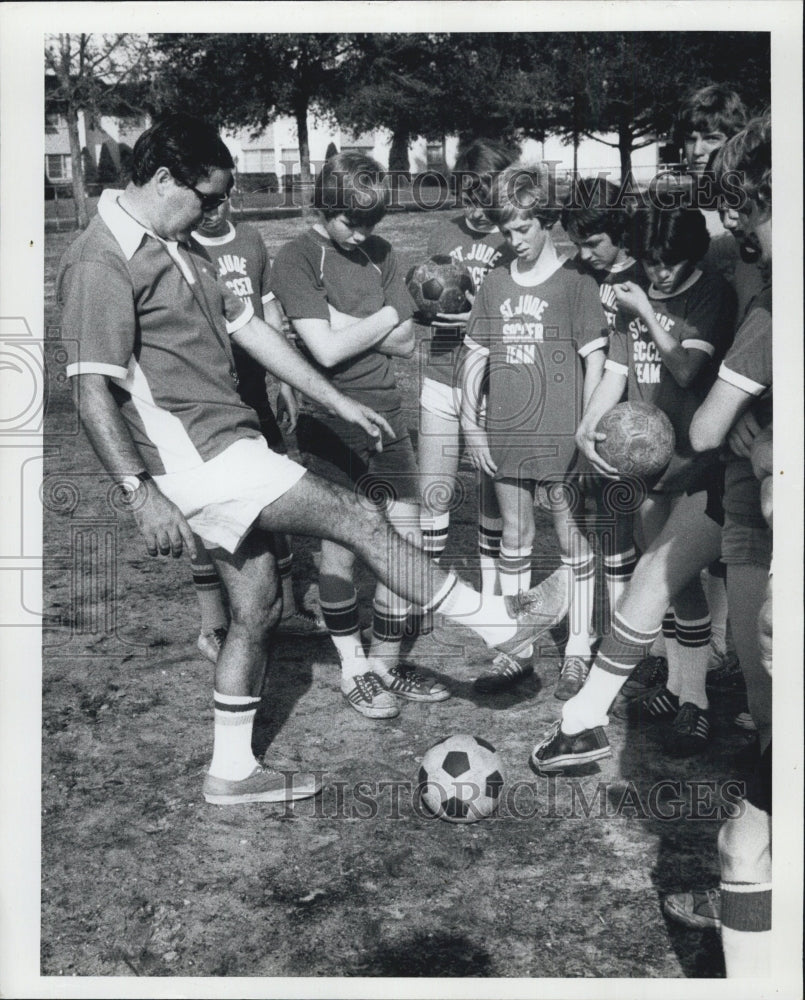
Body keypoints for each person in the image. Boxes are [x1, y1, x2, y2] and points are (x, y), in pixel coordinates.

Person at [58, 114, 570, 807]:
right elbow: (90, 388)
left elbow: (255, 332)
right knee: (356, 515)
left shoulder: (178, 243)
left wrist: (335, 398)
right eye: (207, 198)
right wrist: (139, 494)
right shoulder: (102, 258)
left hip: (230, 446)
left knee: (260, 608)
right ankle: (497, 622)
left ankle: (231, 772)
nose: (217, 212)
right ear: (158, 179)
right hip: (199, 461)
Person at [530, 203, 736, 770]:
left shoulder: (707, 295)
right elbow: (618, 374)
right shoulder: (631, 292)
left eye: (670, 264)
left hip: (699, 465)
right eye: (651, 262)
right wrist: (588, 429)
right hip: (643, 468)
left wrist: (645, 306)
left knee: (656, 576)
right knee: (677, 587)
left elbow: (689, 371)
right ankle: (679, 682)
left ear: (690, 257)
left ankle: (690, 703)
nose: (660, 273)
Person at [271, 151, 451, 720]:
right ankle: (353, 668)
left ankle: (386, 663)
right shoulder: (297, 258)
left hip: (387, 415)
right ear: (324, 205)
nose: (365, 232)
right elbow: (323, 351)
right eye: (353, 220)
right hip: (329, 419)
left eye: (373, 221)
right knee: (341, 547)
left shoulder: (382, 252)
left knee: (405, 541)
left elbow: (402, 343)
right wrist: (392, 309)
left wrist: (338, 325)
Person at [459, 166, 611, 699]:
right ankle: (517, 646)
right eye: (506, 231)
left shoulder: (576, 283)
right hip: (506, 434)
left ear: (547, 221)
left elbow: (595, 361)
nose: (513, 239)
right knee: (516, 540)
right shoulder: (496, 282)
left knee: (572, 541)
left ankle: (579, 646)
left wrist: (588, 428)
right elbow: (475, 356)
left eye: (523, 228)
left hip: (562, 438)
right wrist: (469, 422)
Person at [190, 197, 326, 660]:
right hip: (207, 393)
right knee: (208, 508)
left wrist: (286, 382)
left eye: (220, 200)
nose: (211, 210)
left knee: (276, 493)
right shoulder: (181, 242)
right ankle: (212, 623)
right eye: (204, 200)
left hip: (255, 391)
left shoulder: (249, 240)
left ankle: (285, 609)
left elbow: (269, 313)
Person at [416, 139, 522, 693]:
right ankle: (426, 606)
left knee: (493, 502)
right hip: (441, 375)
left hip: (496, 388)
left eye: (488, 194)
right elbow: (425, 303)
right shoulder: (443, 233)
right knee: (433, 497)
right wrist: (432, 312)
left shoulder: (518, 237)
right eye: (469, 193)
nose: (477, 207)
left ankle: (497, 606)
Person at [560, 178, 642, 675]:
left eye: (594, 243)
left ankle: (630, 645)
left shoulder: (647, 275)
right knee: (576, 528)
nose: (585, 253)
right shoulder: (575, 275)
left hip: (632, 426)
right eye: (577, 244)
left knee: (626, 535)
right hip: (582, 419)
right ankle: (577, 644)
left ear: (620, 231)